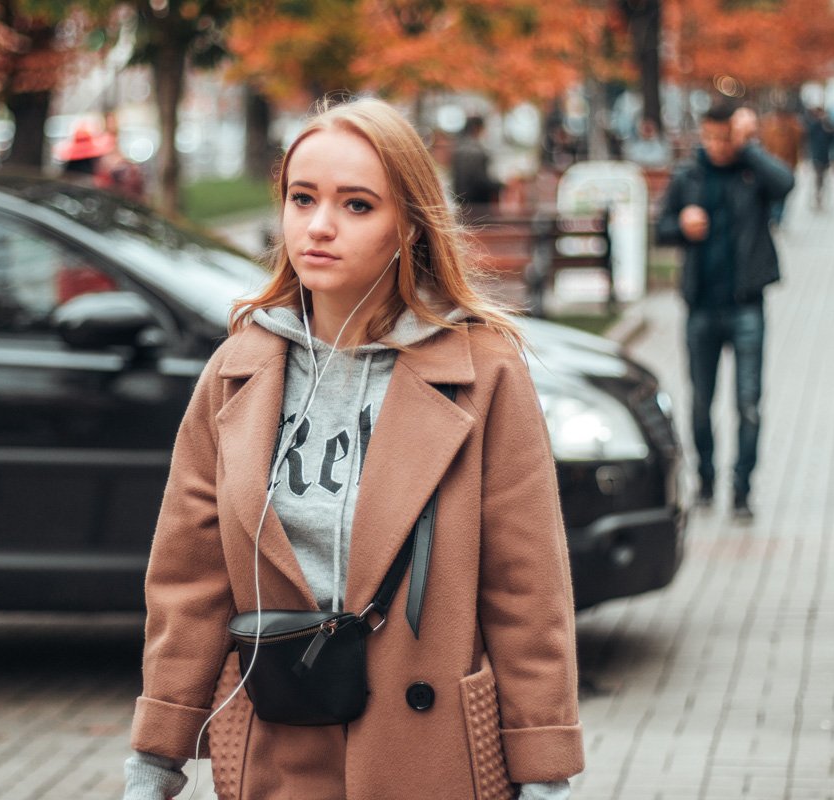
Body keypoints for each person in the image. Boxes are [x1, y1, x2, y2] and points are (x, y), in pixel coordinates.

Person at [122, 97, 584, 799]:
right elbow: (188, 580)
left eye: (357, 205)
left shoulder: (482, 372)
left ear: (410, 224)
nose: (320, 226)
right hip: (277, 739)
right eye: (302, 199)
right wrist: (156, 756)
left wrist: (544, 770)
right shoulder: (238, 371)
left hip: (429, 751)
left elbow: (527, 590)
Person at [656, 100, 795, 520]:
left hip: (746, 306)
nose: (716, 146)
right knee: (701, 402)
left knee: (748, 404)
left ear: (735, 135)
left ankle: (742, 490)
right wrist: (681, 225)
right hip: (701, 309)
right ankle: (706, 480)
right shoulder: (689, 177)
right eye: (710, 136)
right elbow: (660, 228)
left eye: (725, 137)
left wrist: (748, 145)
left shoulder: (753, 173)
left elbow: (786, 183)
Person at [450, 114, 503, 216]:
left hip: (462, 204)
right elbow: (481, 181)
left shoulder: (457, 149)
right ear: (477, 128)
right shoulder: (478, 151)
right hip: (478, 206)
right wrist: (501, 185)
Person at [803, 105, 834, 210]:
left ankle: (819, 195)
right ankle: (818, 196)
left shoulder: (826, 125)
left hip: (824, 155)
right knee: (819, 177)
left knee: (821, 177)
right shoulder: (813, 125)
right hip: (817, 156)